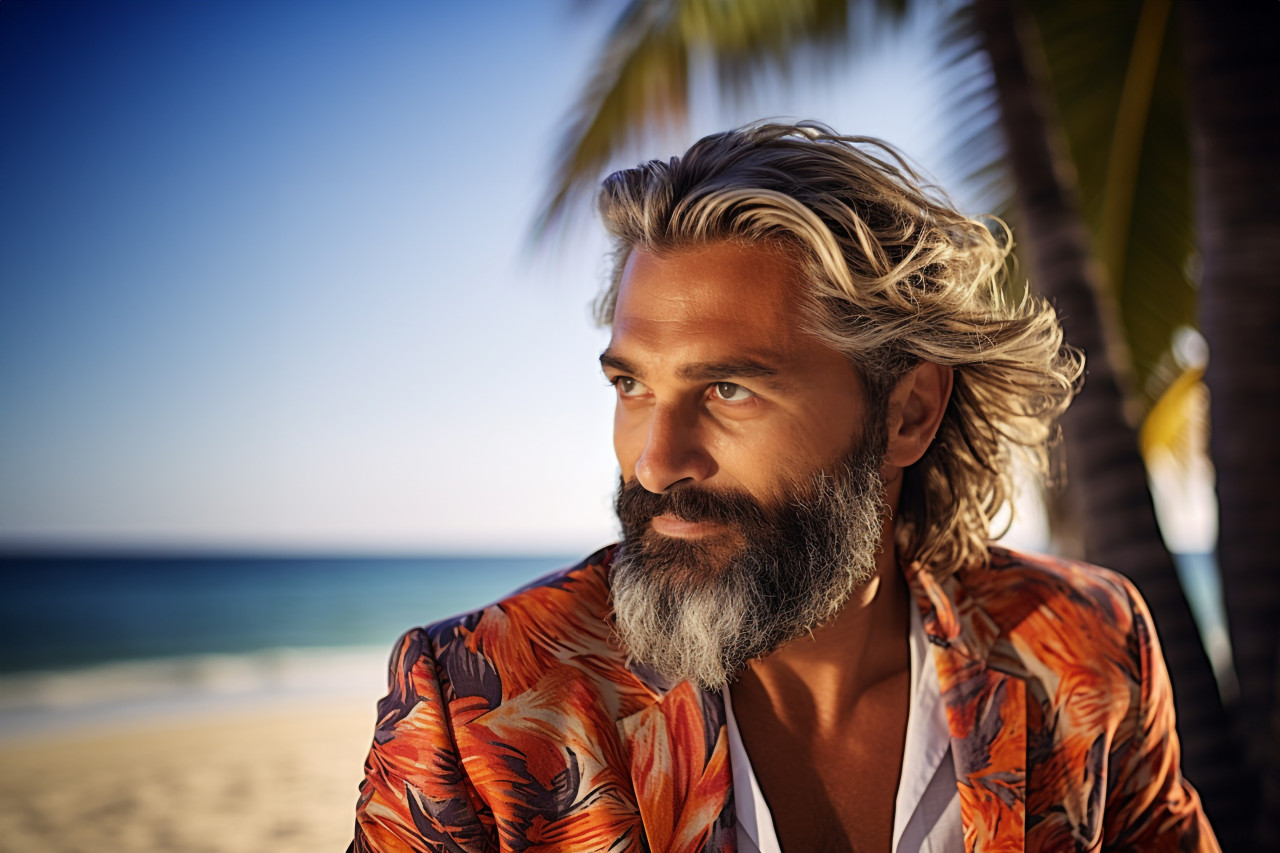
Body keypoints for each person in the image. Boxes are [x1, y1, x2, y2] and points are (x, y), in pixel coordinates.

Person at [350, 122, 1217, 852]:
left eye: (730, 390)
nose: (656, 461)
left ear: (906, 412)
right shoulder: (477, 702)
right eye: (632, 386)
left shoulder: (1086, 648)